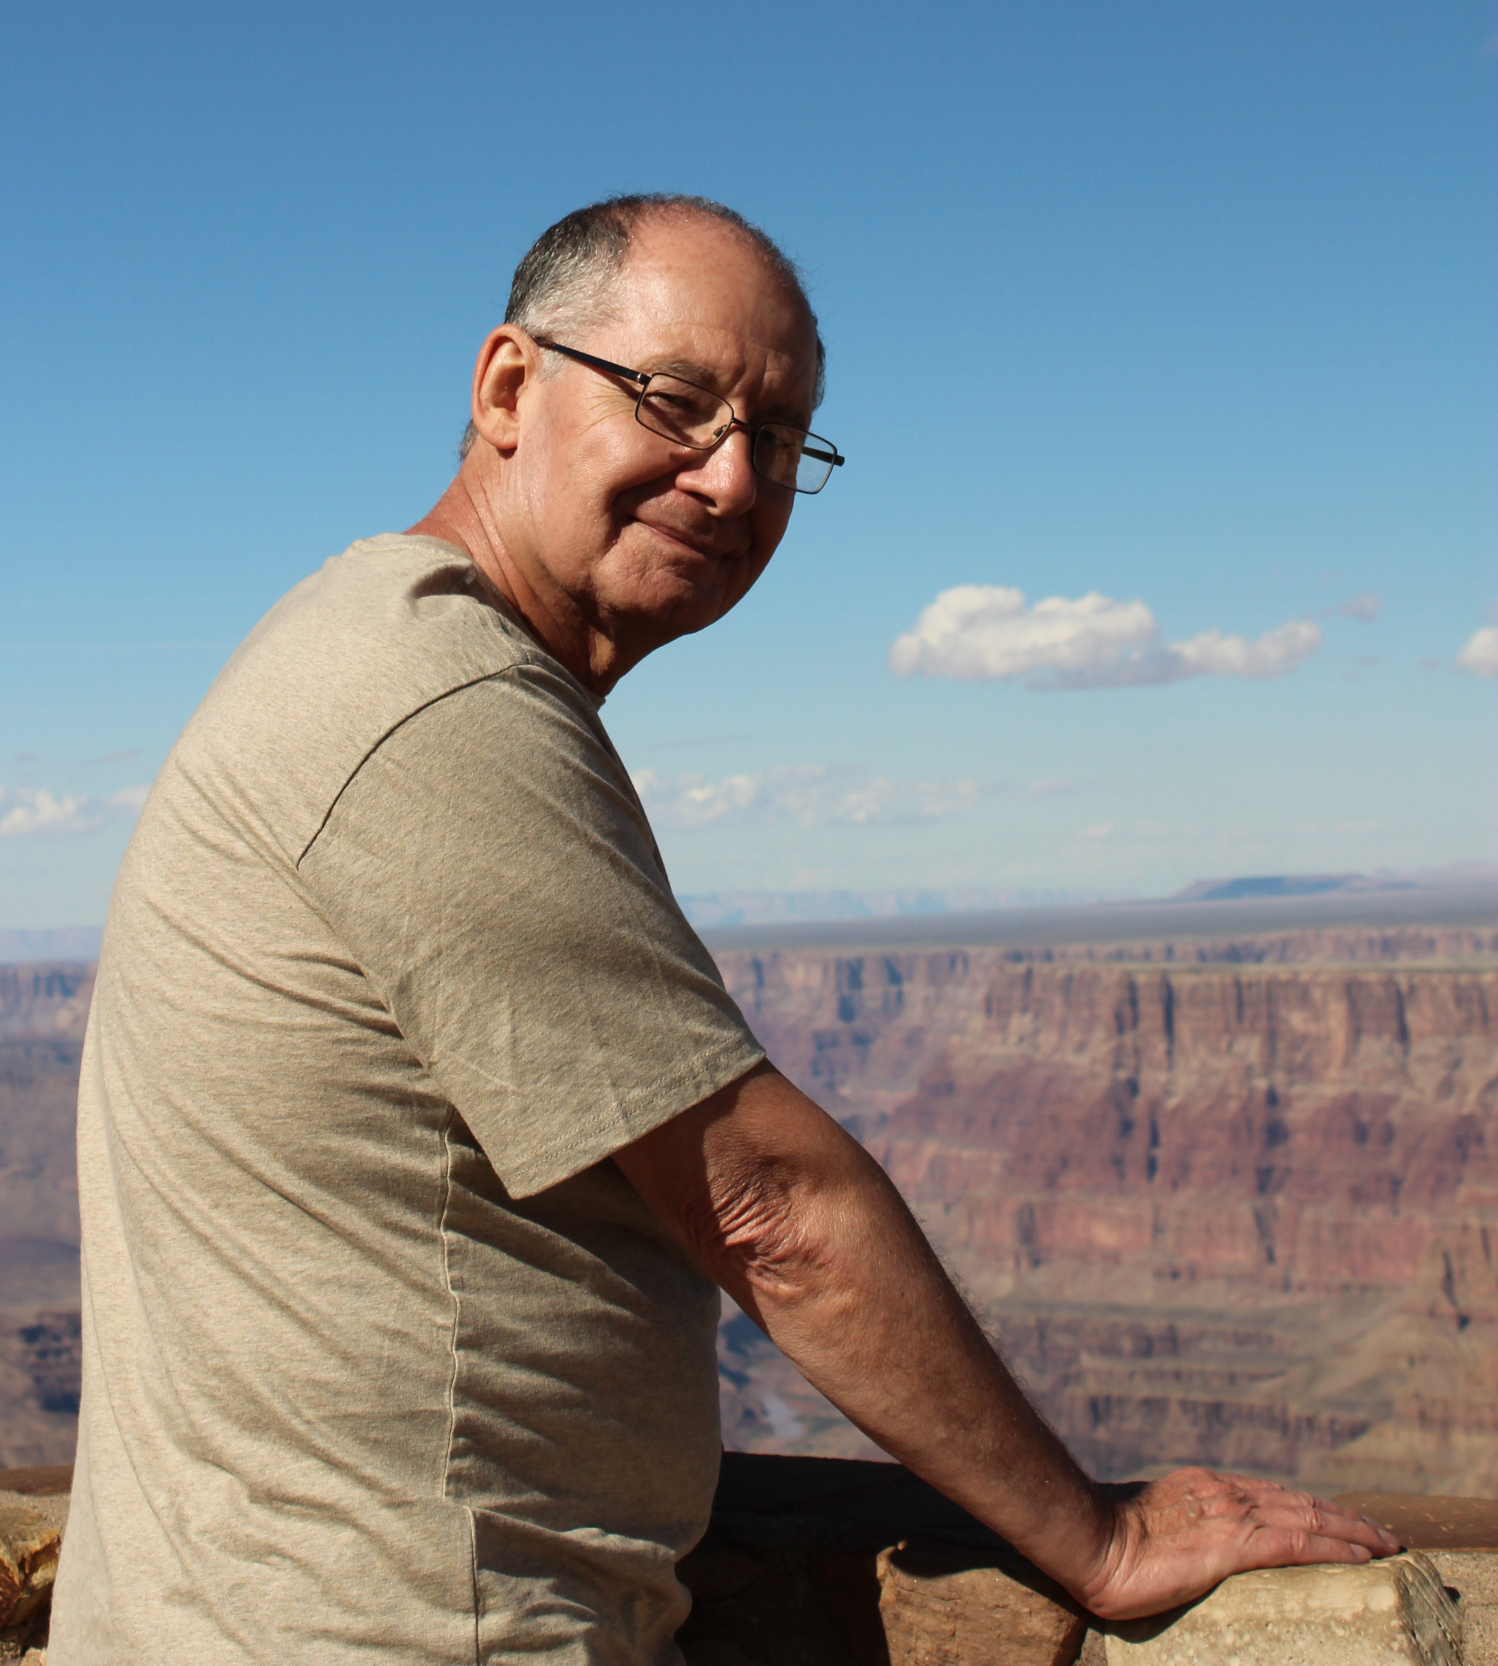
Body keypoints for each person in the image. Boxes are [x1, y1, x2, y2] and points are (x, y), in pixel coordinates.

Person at [50, 194, 1396, 1665]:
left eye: (781, 437)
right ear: (508, 386)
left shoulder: (386, 652)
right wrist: (1103, 1535)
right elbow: (770, 1206)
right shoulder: (432, 707)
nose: (730, 475)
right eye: (674, 402)